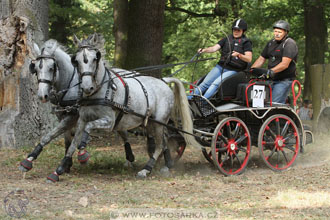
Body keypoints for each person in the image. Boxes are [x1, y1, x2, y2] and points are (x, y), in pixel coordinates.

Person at [190, 19, 252, 100]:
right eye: (234, 29)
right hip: (220, 67)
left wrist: (239, 55)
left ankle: (203, 102)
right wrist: (204, 50)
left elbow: (249, 59)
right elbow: (214, 48)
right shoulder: (226, 39)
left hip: (234, 70)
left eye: (238, 30)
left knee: (215, 84)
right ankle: (188, 99)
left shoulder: (246, 42)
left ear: (243, 31)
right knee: (204, 84)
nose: (236, 32)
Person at [251, 20, 298, 104]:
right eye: (275, 31)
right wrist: (251, 70)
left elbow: (284, 64)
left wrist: (270, 72)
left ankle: (280, 116)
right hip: (270, 79)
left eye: (279, 32)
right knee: (258, 103)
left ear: (286, 33)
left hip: (283, 80)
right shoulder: (271, 43)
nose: (276, 33)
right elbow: (261, 59)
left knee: (273, 104)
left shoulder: (289, 43)